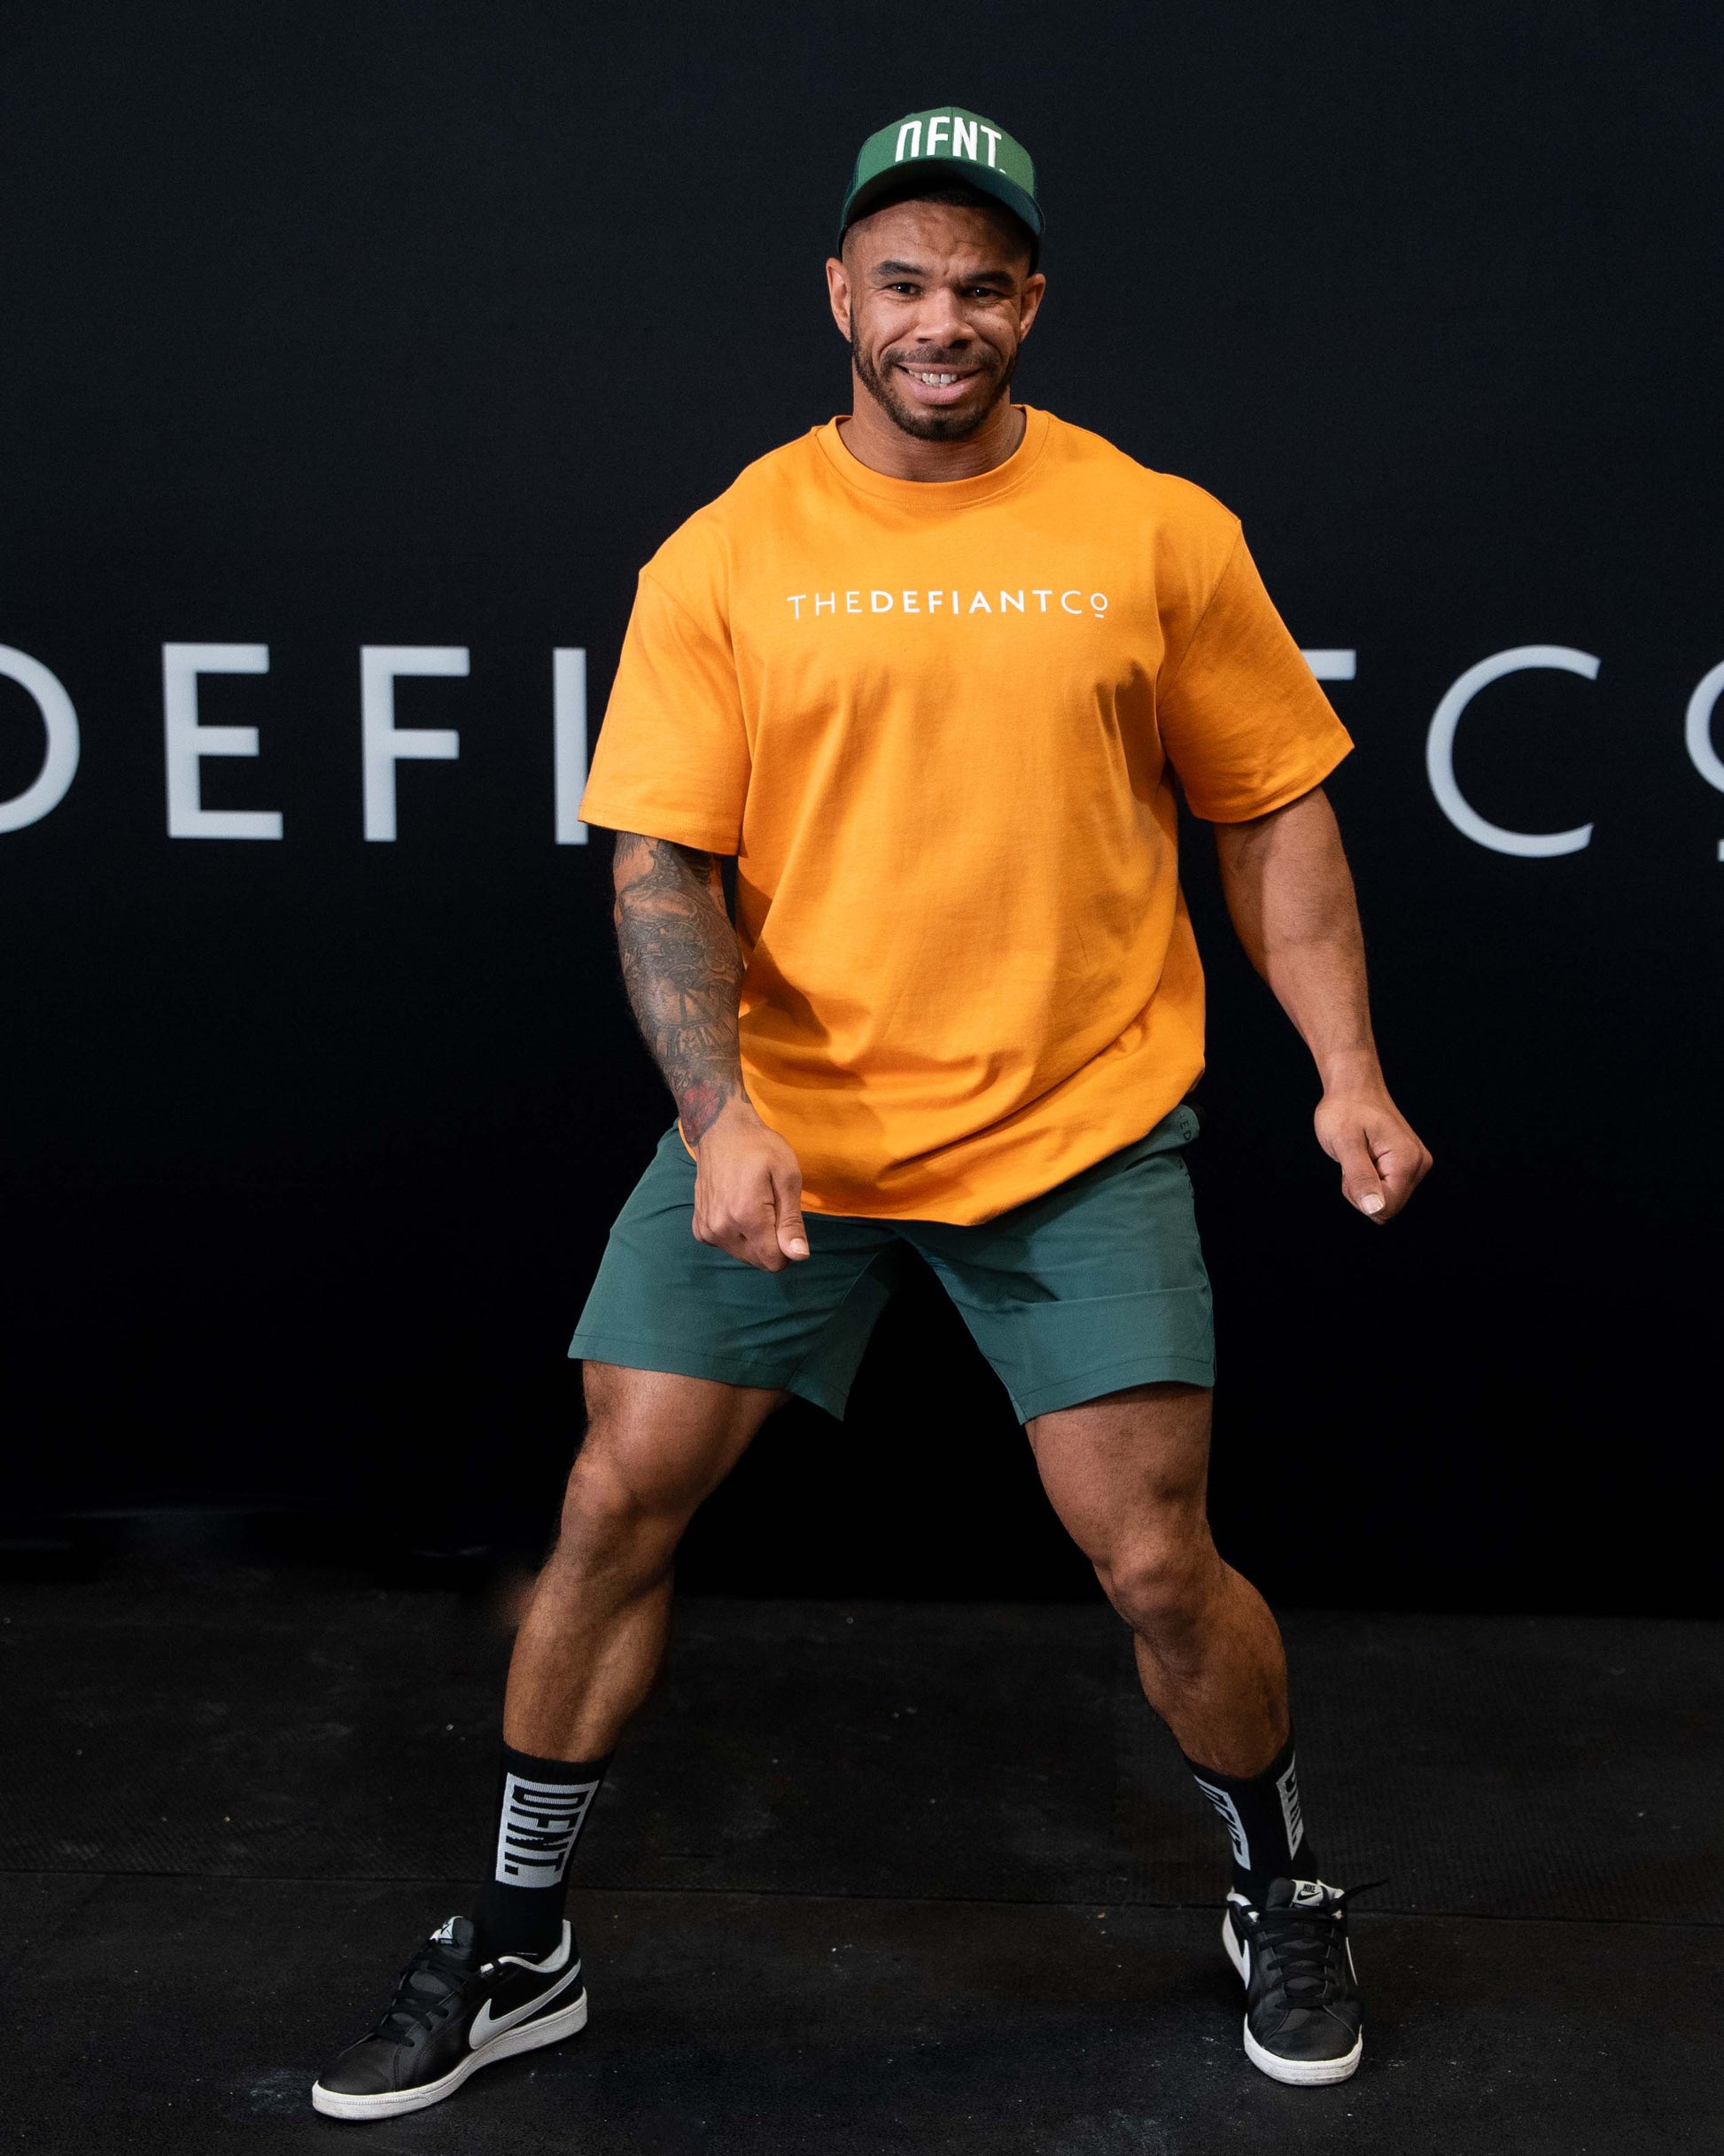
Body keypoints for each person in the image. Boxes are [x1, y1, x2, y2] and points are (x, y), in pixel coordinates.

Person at [312, 104, 1431, 2120]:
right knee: (609, 1499)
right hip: (788, 1122)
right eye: (902, 280)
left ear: (1031, 305)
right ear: (840, 296)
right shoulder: (730, 550)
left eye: (980, 283)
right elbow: (662, 862)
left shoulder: (1155, 530)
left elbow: (1269, 805)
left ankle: (1281, 1879)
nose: (941, 317)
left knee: (1158, 1558)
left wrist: (1344, 1070)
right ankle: (516, 1934)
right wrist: (717, 1108)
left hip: (1076, 1123)